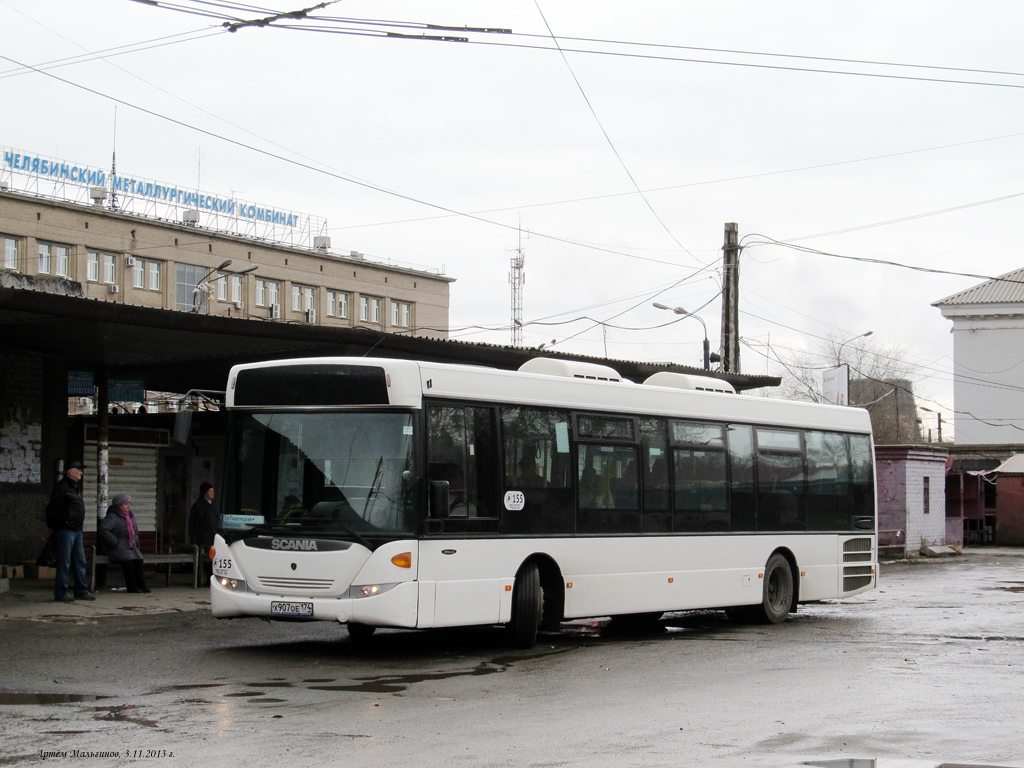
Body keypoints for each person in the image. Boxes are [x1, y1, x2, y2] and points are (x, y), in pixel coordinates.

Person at [45, 459, 95, 603]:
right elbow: (52, 508)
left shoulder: (75, 487)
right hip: (65, 530)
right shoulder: (62, 487)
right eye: (78, 469)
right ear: (70, 471)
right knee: (64, 562)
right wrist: (54, 526)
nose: (81, 472)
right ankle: (61, 593)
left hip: (76, 530)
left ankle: (81, 591)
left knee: (80, 560)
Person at [98, 493, 150, 594]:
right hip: (116, 547)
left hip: (129, 545)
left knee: (138, 560)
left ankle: (141, 585)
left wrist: (135, 540)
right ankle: (132, 587)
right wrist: (115, 541)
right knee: (129, 561)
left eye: (129, 503)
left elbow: (135, 530)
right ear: (119, 505)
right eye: (126, 504)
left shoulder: (130, 516)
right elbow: (103, 529)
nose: (128, 506)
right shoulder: (112, 517)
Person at [189, 481, 220, 581]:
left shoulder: (213, 505)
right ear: (205, 493)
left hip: (213, 536)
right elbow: (193, 525)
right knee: (204, 559)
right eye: (210, 491)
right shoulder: (198, 506)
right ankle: (200, 579)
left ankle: (210, 579)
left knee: (212, 558)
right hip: (203, 537)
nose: (213, 493)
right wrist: (194, 539)